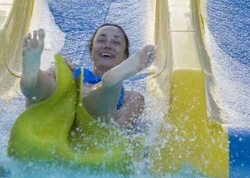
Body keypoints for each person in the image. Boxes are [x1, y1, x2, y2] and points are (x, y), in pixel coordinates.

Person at [20, 23, 155, 129]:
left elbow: (118, 130)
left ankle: (109, 85)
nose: (107, 46)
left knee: (104, 97)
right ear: (91, 50)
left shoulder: (131, 97)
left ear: (125, 56)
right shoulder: (76, 72)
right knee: (56, 76)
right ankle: (32, 79)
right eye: (101, 41)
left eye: (116, 42)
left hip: (94, 121)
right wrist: (60, 71)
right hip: (59, 108)